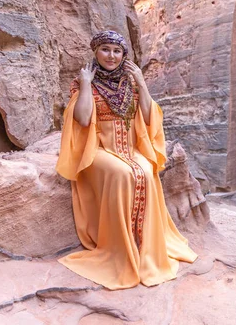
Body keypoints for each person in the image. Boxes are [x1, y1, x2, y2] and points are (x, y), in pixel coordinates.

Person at [56, 30, 197, 290]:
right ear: (96, 52)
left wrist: (141, 82)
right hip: (98, 150)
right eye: (106, 49)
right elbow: (84, 119)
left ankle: (145, 245)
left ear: (124, 55)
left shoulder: (130, 83)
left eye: (117, 51)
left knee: (145, 169)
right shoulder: (83, 82)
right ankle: (119, 248)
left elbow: (147, 115)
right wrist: (86, 83)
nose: (111, 55)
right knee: (122, 173)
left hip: (129, 150)